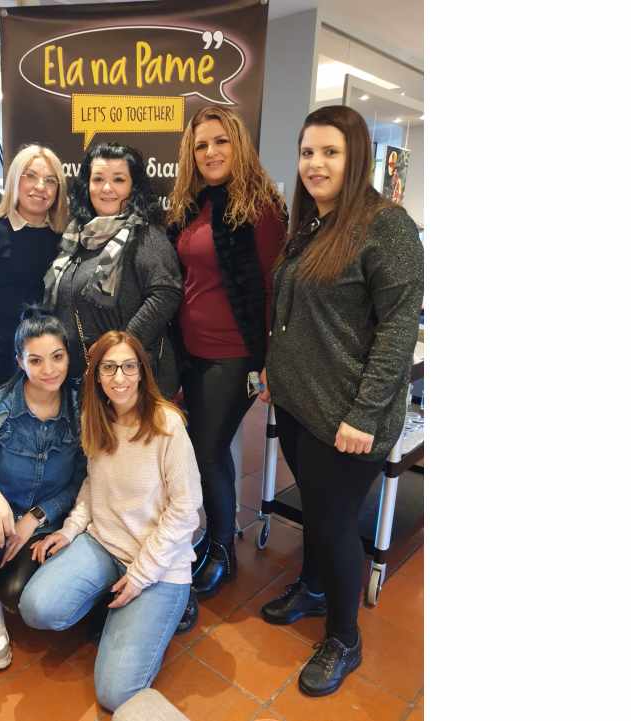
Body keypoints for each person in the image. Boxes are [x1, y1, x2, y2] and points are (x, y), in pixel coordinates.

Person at [258, 105, 423, 697]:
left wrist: (364, 413)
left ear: (356, 158)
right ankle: (313, 588)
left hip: (349, 416)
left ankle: (344, 638)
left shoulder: (386, 227)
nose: (315, 164)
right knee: (316, 509)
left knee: (332, 523)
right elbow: (293, 313)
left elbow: (398, 330)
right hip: (299, 403)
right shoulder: (311, 224)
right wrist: (275, 369)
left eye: (330, 152)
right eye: (308, 152)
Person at [19, 330, 202, 712]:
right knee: (36, 607)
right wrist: (70, 530)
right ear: (97, 376)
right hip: (103, 543)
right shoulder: (95, 417)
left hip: (159, 565)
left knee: (115, 694)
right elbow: (93, 483)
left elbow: (186, 511)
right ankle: (112, 609)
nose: (119, 378)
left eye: (128, 367)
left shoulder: (167, 424)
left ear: (142, 372)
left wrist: (141, 574)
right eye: (109, 368)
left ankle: (161, 613)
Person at [165, 105, 287, 600]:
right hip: (191, 352)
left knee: (209, 450)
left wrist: (267, 363)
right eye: (201, 145)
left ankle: (221, 550)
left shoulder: (261, 209)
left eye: (220, 141)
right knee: (203, 449)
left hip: (234, 355)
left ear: (238, 145)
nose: (211, 152)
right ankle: (214, 536)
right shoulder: (193, 205)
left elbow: (272, 290)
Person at [0, 307, 86, 672]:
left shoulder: (81, 409)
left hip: (41, 523)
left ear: (68, 356)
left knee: (15, 595)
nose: (49, 369)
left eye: (57, 357)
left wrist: (37, 516)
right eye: (36, 360)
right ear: (19, 362)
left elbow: (79, 481)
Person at [44, 142, 182, 399]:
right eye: (98, 179)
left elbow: (166, 294)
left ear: (133, 187)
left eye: (119, 179)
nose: (107, 188)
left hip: (130, 378)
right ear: (87, 185)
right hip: (83, 378)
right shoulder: (77, 236)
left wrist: (120, 348)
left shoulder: (146, 236)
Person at [0, 145, 69, 390]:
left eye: (50, 180)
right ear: (14, 180)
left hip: (48, 359)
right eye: (30, 176)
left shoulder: (64, 236)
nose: (40, 186)